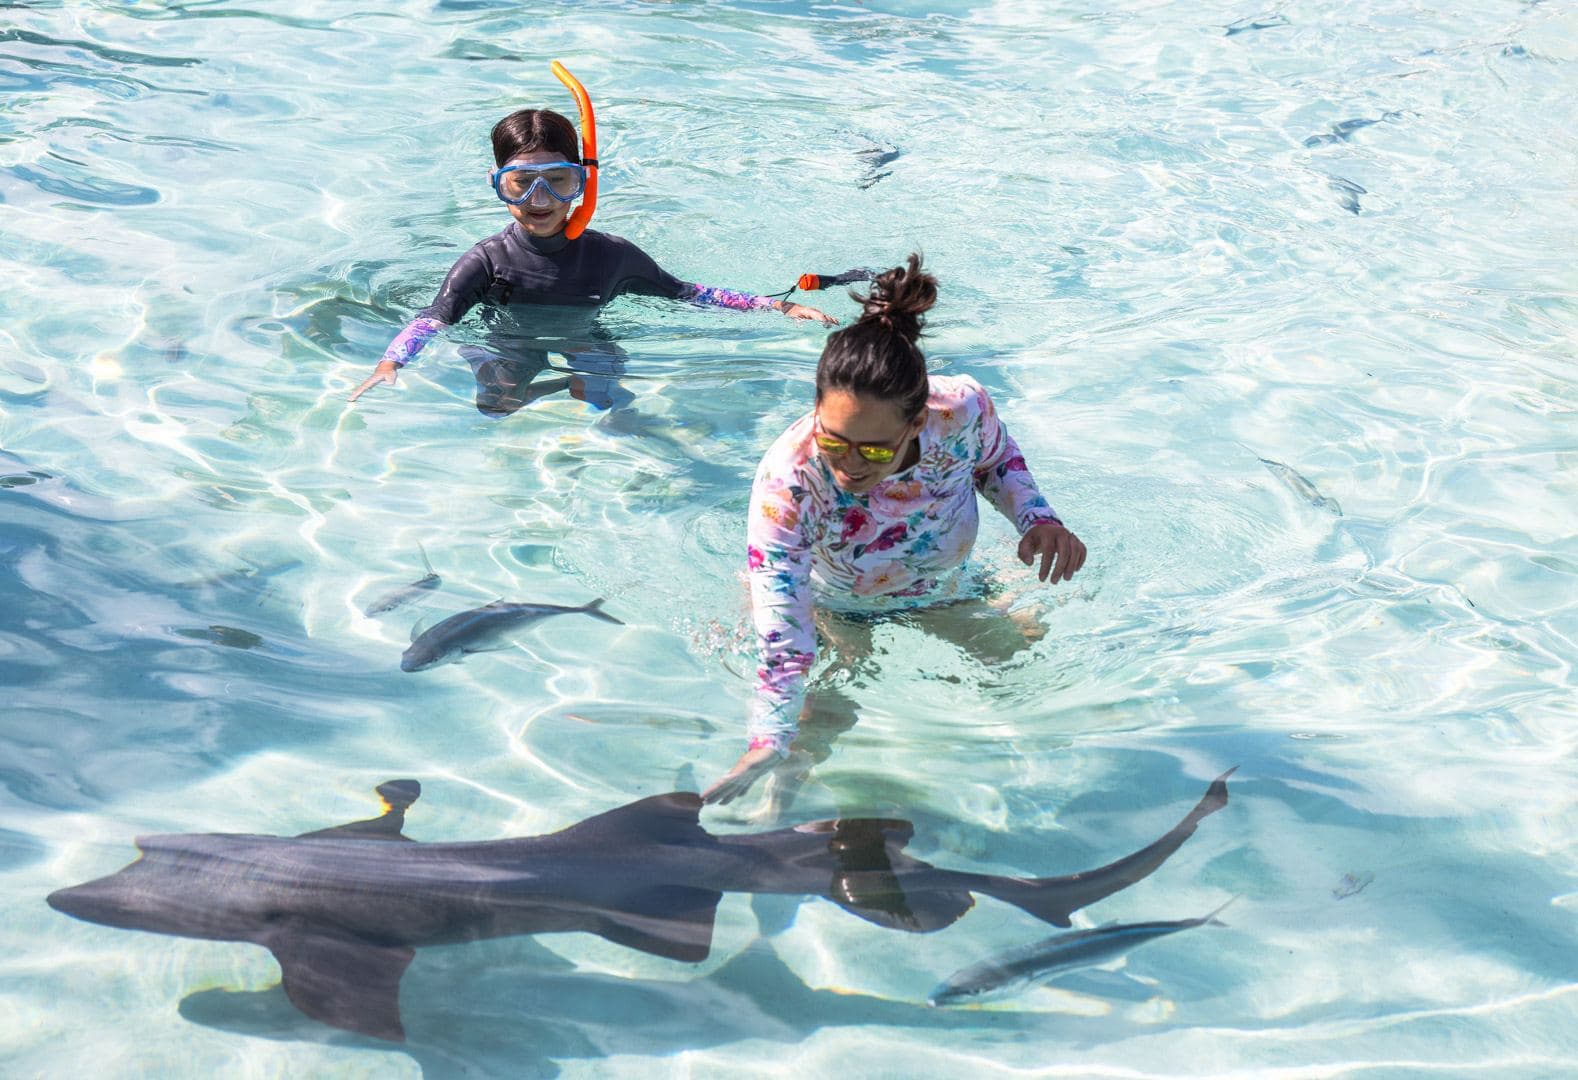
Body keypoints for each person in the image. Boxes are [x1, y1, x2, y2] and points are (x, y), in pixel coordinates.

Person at [702, 254, 1087, 805]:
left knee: (1018, 668)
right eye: (834, 440)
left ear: (917, 422)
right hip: (833, 604)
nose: (850, 465)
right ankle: (780, 804)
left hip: (940, 588)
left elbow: (994, 459)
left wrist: (1038, 519)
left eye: (876, 450)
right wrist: (769, 738)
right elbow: (783, 634)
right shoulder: (788, 482)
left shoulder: (960, 410)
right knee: (826, 709)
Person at [348, 96, 833, 412]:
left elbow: (687, 293)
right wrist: (391, 363)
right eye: (521, 183)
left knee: (608, 402)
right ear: (498, 185)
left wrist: (779, 307)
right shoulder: (487, 260)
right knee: (495, 406)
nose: (539, 200)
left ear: (583, 182)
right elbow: (435, 317)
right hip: (509, 340)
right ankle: (550, 382)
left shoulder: (611, 257)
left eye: (558, 181)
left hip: (586, 338)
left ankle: (574, 384)